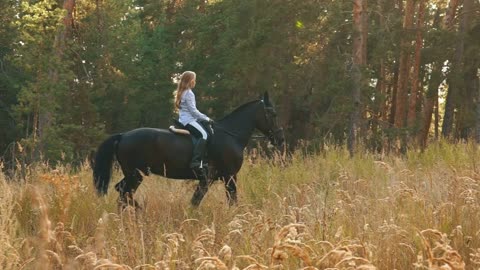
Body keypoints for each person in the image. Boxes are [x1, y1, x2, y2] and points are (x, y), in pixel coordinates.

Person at [174, 71, 212, 175]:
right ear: (190, 80)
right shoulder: (189, 93)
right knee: (204, 135)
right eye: (194, 79)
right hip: (189, 120)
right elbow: (193, 111)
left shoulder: (182, 91)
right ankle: (196, 161)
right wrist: (207, 118)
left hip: (183, 119)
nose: (195, 81)